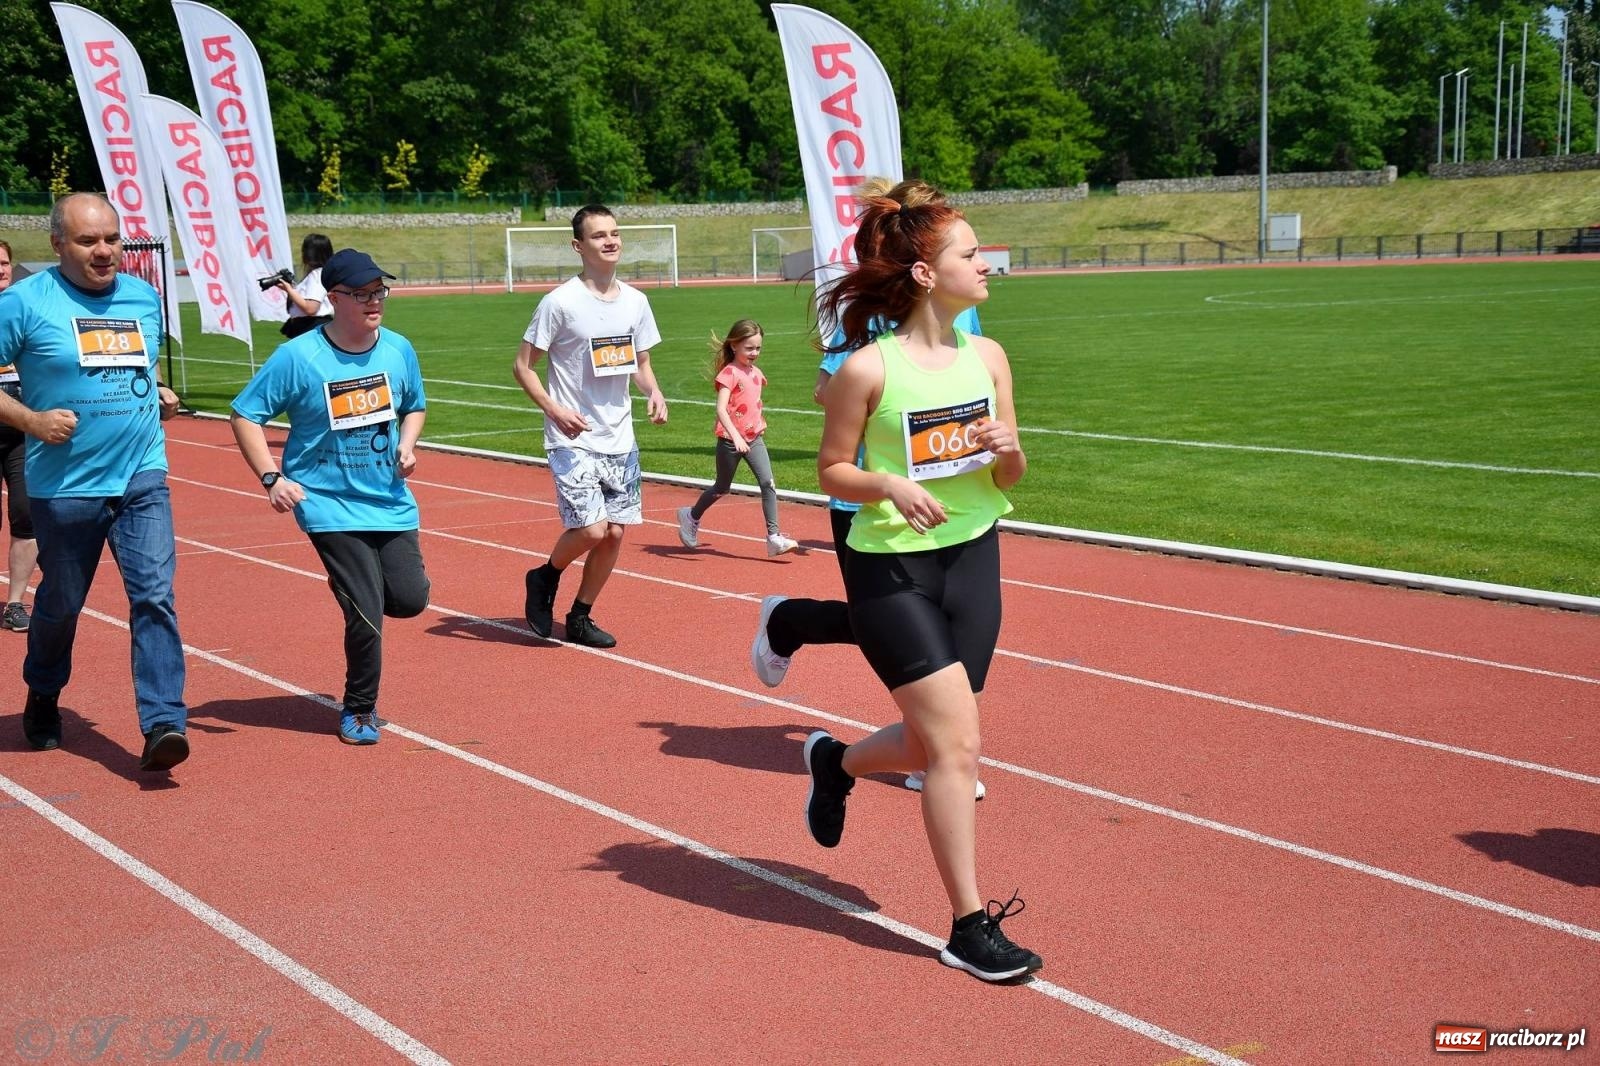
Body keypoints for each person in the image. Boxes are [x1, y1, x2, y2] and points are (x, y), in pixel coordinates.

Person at [795, 179, 1041, 982]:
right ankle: (969, 926)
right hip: (890, 567)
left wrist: (1008, 449)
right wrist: (891, 484)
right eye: (972, 255)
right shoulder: (868, 369)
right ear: (930, 273)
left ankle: (835, 764)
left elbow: (1010, 479)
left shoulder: (991, 356)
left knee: (939, 738)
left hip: (974, 555)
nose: (987, 266)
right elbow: (833, 472)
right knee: (958, 747)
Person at [750, 182, 986, 798]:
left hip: (948, 502)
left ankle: (793, 623)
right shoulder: (862, 316)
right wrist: (887, 406)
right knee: (899, 628)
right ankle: (933, 754)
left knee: (914, 627)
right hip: (864, 499)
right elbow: (828, 392)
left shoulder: (962, 312)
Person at [0, 193, 189, 770]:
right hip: (66, 487)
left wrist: (155, 393)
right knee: (61, 604)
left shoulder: (142, 296)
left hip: (141, 474)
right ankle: (43, 689)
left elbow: (136, 365)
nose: (104, 252)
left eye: (112, 239)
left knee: (154, 595)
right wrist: (31, 419)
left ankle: (163, 723)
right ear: (58, 244)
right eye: (88, 241)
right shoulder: (23, 302)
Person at [230, 249, 429, 746]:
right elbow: (245, 414)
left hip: (388, 500)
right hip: (326, 503)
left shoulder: (399, 349)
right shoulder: (299, 357)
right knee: (365, 609)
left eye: (379, 291)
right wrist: (272, 478)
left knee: (408, 600)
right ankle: (359, 709)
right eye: (361, 294)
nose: (373, 301)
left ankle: (358, 588)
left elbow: (415, 407)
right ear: (333, 299)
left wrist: (407, 444)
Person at [514, 204, 668, 649]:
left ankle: (580, 615)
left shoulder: (637, 302)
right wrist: (553, 409)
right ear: (578, 246)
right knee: (593, 528)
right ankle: (544, 577)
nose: (611, 241)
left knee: (616, 532)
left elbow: (641, 362)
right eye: (600, 235)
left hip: (619, 435)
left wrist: (653, 392)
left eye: (615, 233)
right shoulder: (559, 303)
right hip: (572, 436)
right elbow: (523, 367)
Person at [676, 320, 798, 557]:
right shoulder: (729, 374)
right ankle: (691, 516)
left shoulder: (755, 373)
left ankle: (774, 538)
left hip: (755, 439)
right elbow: (721, 409)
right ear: (734, 346)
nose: (754, 353)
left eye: (758, 348)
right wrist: (736, 437)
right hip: (730, 442)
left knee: (768, 483)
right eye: (749, 348)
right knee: (722, 487)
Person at [0, 239, 40, 633]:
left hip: (21, 432)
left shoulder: (28, 308)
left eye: (5, 262)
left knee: (26, 517)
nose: (0, 269)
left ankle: (15, 603)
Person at [277, 233, 334, 339]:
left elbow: (311, 308)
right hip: (310, 326)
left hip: (312, 326)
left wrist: (289, 290)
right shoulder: (320, 274)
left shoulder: (317, 275)